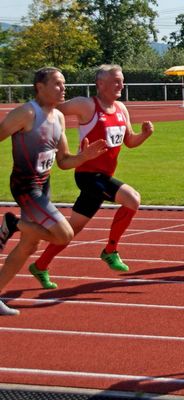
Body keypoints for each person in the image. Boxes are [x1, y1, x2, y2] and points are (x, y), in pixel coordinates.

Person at [28, 64, 154, 290]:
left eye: (122, 80)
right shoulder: (85, 105)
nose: (121, 85)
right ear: (100, 84)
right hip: (87, 174)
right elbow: (51, 108)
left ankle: (40, 265)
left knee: (71, 230)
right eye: (116, 81)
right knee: (132, 199)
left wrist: (144, 135)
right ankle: (110, 250)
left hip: (103, 176)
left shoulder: (121, 109)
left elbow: (130, 141)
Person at [0, 67, 107, 313]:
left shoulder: (58, 117)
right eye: (58, 84)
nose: (64, 88)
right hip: (25, 186)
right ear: (40, 86)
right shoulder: (26, 113)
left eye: (64, 83)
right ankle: (12, 224)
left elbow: (64, 161)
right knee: (63, 235)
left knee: (29, 246)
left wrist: (83, 157)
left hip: (43, 185)